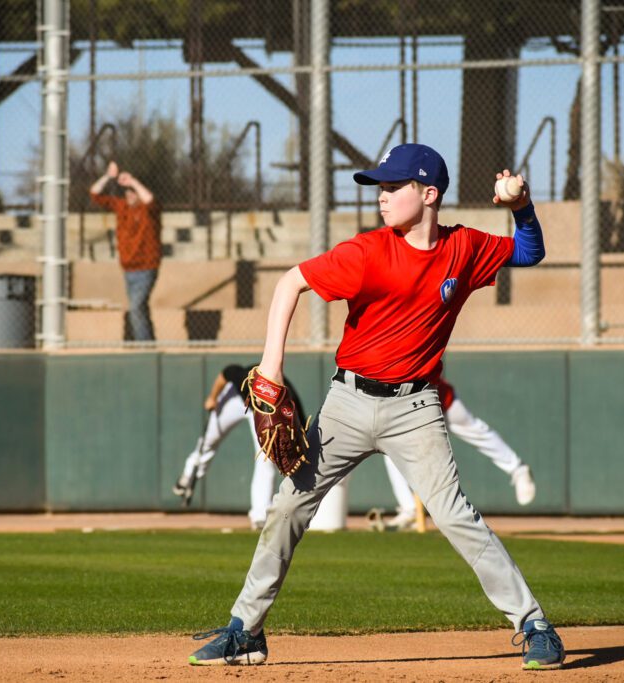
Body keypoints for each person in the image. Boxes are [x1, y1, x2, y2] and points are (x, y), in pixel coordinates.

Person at [187, 143, 565, 670]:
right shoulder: (366, 252)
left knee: (455, 515)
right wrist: (270, 367)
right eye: (379, 188)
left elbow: (529, 251)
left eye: (393, 187)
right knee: (288, 508)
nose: (382, 198)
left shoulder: (465, 248)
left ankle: (535, 625)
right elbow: (290, 282)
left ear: (429, 194)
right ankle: (245, 631)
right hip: (347, 402)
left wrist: (520, 205)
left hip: (415, 408)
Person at [383, 376, 536, 531]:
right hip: (409, 407)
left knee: (476, 431)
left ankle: (518, 469)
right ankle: (410, 510)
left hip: (438, 397)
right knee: (391, 451)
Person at [172, 364, 307, 530]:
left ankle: (259, 515)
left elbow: (302, 431)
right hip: (236, 398)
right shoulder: (249, 377)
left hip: (260, 413)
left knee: (265, 459)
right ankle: (188, 476)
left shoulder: (289, 401)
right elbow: (227, 372)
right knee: (209, 440)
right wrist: (212, 398)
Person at [89, 161, 162, 341]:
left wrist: (133, 182)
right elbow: (95, 194)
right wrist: (108, 176)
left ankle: (144, 348)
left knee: (136, 308)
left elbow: (150, 199)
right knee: (139, 309)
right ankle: (149, 343)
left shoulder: (148, 209)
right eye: (127, 192)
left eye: (133, 192)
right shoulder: (121, 207)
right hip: (128, 268)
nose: (129, 195)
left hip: (146, 267)